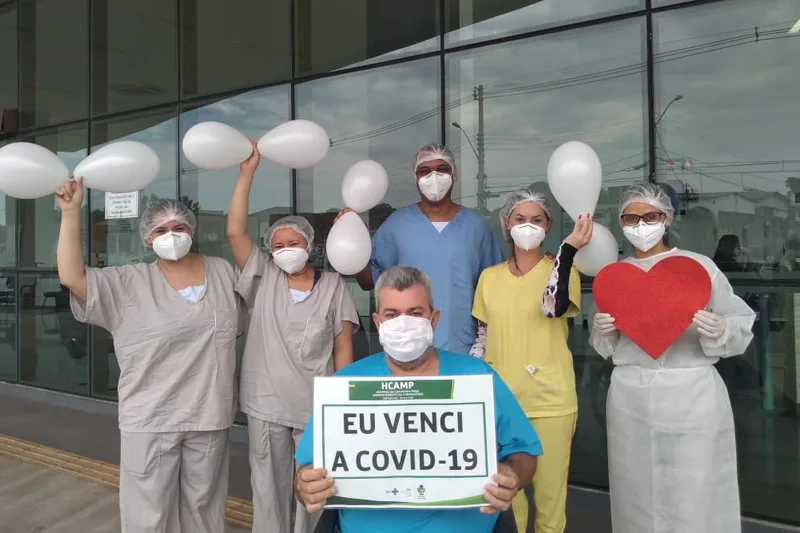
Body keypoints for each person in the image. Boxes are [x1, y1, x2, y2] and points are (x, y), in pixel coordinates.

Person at [294, 266, 542, 533]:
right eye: (392, 314)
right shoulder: (345, 385)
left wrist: (512, 475)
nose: (403, 323)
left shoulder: (477, 377)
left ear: (433, 319)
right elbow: (308, 468)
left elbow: (524, 452)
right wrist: (306, 486)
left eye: (415, 313)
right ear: (378, 322)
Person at [57, 178, 240, 533]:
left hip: (209, 417)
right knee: (149, 517)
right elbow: (72, 276)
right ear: (147, 237)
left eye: (180, 227)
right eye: (161, 229)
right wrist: (68, 213)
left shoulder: (222, 272)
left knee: (205, 514)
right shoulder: (128, 283)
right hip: (151, 419)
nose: (171, 234)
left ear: (193, 229)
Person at [589, 183, 755, 533]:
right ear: (620, 222)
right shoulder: (615, 278)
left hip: (691, 394)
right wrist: (603, 332)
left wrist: (721, 328)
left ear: (667, 218)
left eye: (650, 216)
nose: (641, 224)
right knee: (635, 489)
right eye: (631, 217)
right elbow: (602, 343)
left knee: (695, 487)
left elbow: (740, 324)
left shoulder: (699, 268)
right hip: (631, 396)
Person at [228, 143, 359, 533]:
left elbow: (343, 346)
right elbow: (235, 230)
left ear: (310, 245)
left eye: (294, 243)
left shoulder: (334, 285)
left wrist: (342, 403)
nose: (287, 251)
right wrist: (247, 172)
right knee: (267, 491)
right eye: (279, 245)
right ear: (270, 251)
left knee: (316, 493)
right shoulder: (263, 277)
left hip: (314, 409)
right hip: (265, 405)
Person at [471, 190, 593, 533]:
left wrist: (567, 251)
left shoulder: (562, 269)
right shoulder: (489, 278)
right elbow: (482, 337)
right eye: (519, 219)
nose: (528, 227)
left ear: (549, 225)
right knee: (507, 499)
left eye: (536, 220)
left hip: (551, 401)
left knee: (550, 500)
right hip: (502, 402)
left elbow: (552, 307)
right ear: (506, 224)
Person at [338, 143, 503, 354]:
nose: (433, 176)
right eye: (425, 170)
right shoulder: (396, 225)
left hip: (463, 344)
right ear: (415, 179)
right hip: (407, 344)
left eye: (442, 169)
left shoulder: (476, 226)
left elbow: (495, 287)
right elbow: (368, 280)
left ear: (455, 174)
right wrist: (350, 239)